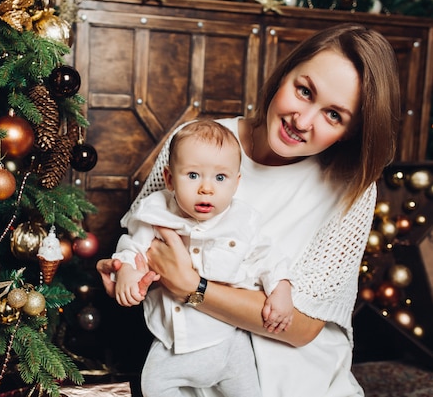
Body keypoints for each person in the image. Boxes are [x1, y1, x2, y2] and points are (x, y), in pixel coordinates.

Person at [96, 22, 400, 397]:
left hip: (299, 380)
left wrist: (193, 286)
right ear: (285, 72)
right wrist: (125, 271)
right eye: (304, 91)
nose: (302, 122)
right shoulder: (193, 143)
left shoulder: (351, 185)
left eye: (334, 115)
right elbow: (149, 244)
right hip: (195, 368)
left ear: (351, 132)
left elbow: (303, 327)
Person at [112, 119, 293, 397]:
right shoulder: (155, 211)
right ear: (170, 179)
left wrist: (281, 289)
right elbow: (132, 247)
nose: (206, 188)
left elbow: (268, 259)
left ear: (236, 183)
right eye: (193, 175)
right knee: (153, 384)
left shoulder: (243, 221)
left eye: (220, 178)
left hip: (231, 340)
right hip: (175, 343)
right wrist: (126, 271)